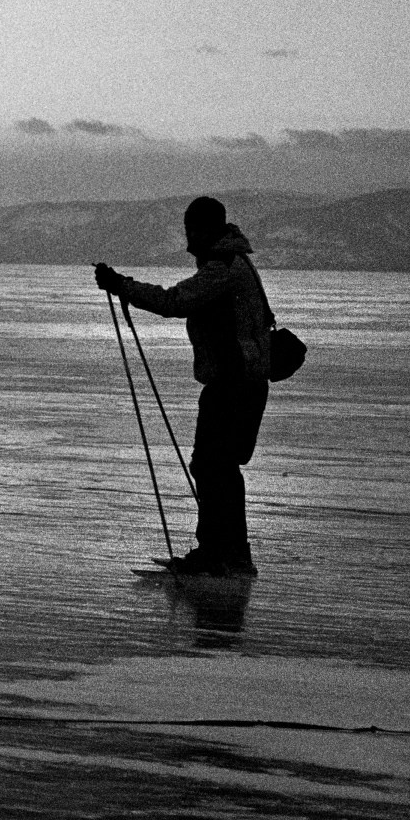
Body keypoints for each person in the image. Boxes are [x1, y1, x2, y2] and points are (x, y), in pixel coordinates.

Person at [94, 196, 272, 576]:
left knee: (212, 466)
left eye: (191, 228)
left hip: (234, 384)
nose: (187, 235)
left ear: (208, 229)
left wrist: (121, 285)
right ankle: (230, 554)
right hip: (243, 382)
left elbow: (174, 301)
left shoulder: (222, 268)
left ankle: (220, 555)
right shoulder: (234, 263)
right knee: (217, 467)